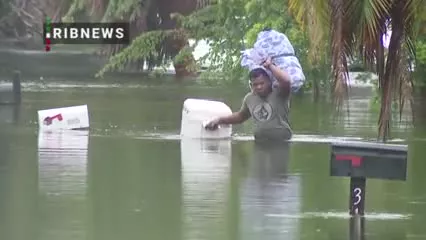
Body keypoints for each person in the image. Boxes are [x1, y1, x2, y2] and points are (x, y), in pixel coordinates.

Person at [204, 57, 293, 141]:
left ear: (269, 82)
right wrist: (219, 120)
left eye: (262, 83)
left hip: (282, 142)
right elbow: (240, 117)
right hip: (260, 143)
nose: (259, 87)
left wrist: (270, 66)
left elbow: (286, 81)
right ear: (251, 85)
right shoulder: (249, 98)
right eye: (255, 84)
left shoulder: (279, 93)